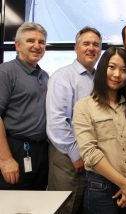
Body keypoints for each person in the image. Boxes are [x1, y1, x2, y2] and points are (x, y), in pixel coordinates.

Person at [73, 47, 126, 214]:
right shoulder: (84, 106)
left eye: (123, 70)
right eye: (112, 67)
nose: (117, 75)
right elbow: (90, 152)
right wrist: (123, 183)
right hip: (101, 188)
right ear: (102, 69)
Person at [46, 26, 102, 213]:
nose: (91, 48)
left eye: (96, 44)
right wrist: (75, 154)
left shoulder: (98, 79)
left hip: (92, 156)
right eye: (86, 43)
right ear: (76, 48)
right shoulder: (63, 76)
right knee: (67, 206)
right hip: (68, 156)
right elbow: (57, 120)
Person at [0, 22, 49, 189]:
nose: (37, 46)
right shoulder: (5, 72)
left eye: (41, 42)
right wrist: (5, 159)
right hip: (15, 149)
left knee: (37, 203)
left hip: (41, 150)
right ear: (18, 45)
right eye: (30, 41)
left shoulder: (44, 76)